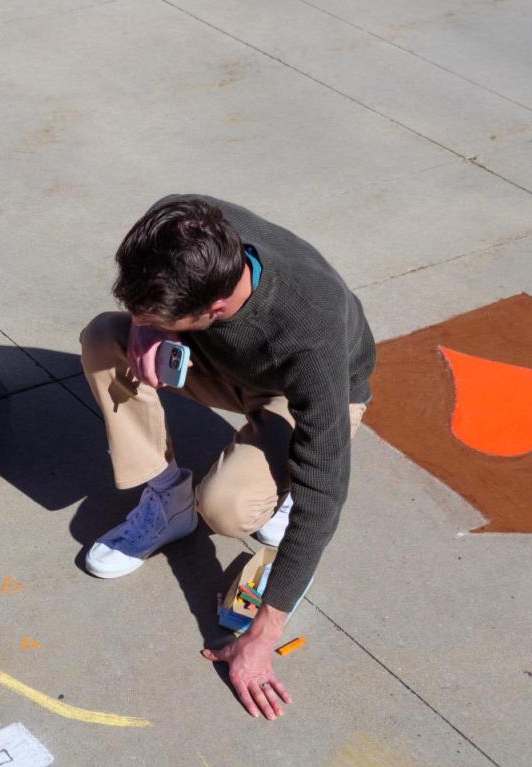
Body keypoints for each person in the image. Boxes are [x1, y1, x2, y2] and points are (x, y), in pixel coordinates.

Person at [80, 195, 375, 721]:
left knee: (227, 510)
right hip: (217, 362)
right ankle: (166, 499)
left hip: (303, 394)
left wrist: (263, 634)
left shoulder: (311, 329)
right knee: (105, 337)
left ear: (213, 310)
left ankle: (274, 481)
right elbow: (143, 302)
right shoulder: (187, 223)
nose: (142, 318)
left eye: (157, 314)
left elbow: (326, 495)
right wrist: (149, 328)